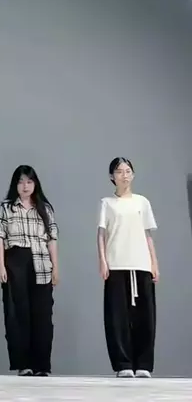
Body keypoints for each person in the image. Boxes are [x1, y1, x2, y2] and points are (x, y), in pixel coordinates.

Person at [0, 165, 59, 377]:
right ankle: (24, 364)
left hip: (41, 262)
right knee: (18, 314)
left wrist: (55, 268)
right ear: (15, 184)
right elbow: (0, 237)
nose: (25, 186)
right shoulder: (7, 208)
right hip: (15, 261)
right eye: (21, 182)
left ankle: (42, 365)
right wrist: (1, 265)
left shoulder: (45, 209)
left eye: (29, 182)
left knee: (42, 315)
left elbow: (52, 240)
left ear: (35, 184)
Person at [97, 157, 158, 378]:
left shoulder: (142, 202)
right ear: (111, 177)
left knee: (145, 317)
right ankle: (123, 364)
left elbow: (147, 234)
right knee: (117, 317)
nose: (124, 175)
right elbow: (101, 234)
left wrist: (154, 263)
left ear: (133, 174)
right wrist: (103, 261)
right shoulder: (107, 203)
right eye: (119, 171)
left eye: (128, 171)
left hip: (141, 264)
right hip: (116, 264)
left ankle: (143, 364)